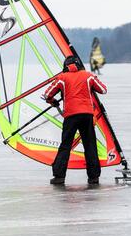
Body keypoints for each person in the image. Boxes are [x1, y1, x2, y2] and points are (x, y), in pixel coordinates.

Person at [43, 55, 107, 185]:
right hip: (87, 115)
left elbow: (47, 94)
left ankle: (59, 176)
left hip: (71, 115)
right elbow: (103, 90)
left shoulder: (62, 78)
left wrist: (53, 101)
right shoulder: (88, 76)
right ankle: (93, 177)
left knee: (65, 146)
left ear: (66, 66)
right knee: (90, 146)